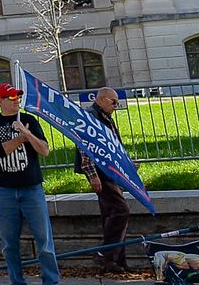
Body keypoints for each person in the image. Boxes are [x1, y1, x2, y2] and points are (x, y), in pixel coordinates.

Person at [0, 83, 58, 285]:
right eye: (10, 98)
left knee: (44, 241)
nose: (16, 100)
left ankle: (51, 281)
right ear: (0, 101)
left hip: (31, 188)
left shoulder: (28, 120)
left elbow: (44, 150)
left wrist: (27, 134)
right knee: (9, 244)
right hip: (5, 191)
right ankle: (17, 281)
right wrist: (20, 138)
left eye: (17, 97)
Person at [79, 88, 131, 272]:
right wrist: (92, 175)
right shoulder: (91, 116)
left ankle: (116, 261)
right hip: (101, 172)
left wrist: (127, 166)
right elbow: (85, 147)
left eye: (117, 102)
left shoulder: (104, 116)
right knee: (121, 210)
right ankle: (104, 255)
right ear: (101, 100)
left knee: (111, 215)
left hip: (113, 171)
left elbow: (114, 144)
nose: (116, 106)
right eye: (113, 102)